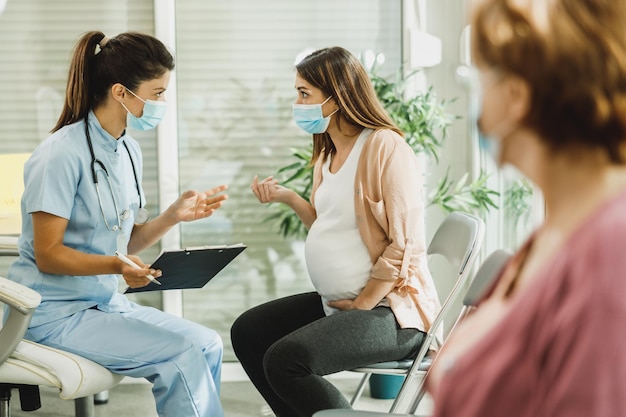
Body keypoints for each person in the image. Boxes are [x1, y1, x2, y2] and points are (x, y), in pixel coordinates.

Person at [7, 31, 228, 417]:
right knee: (181, 354)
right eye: (157, 93)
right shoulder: (59, 154)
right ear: (121, 92)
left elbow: (122, 242)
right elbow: (48, 255)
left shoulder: (127, 149)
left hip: (105, 303)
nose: (163, 103)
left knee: (207, 342)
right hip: (55, 314)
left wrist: (172, 215)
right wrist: (116, 266)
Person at [425, 1, 626, 416]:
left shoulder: (610, 250)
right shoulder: (558, 230)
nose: (473, 95)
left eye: (477, 76)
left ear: (516, 96)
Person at [230, 46, 440, 417]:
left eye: (304, 93)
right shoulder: (327, 154)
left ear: (337, 95)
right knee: (248, 332)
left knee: (286, 360)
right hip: (340, 303)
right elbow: (331, 227)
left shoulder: (384, 147)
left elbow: (406, 245)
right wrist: (289, 198)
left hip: (391, 313)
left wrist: (362, 305)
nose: (297, 102)